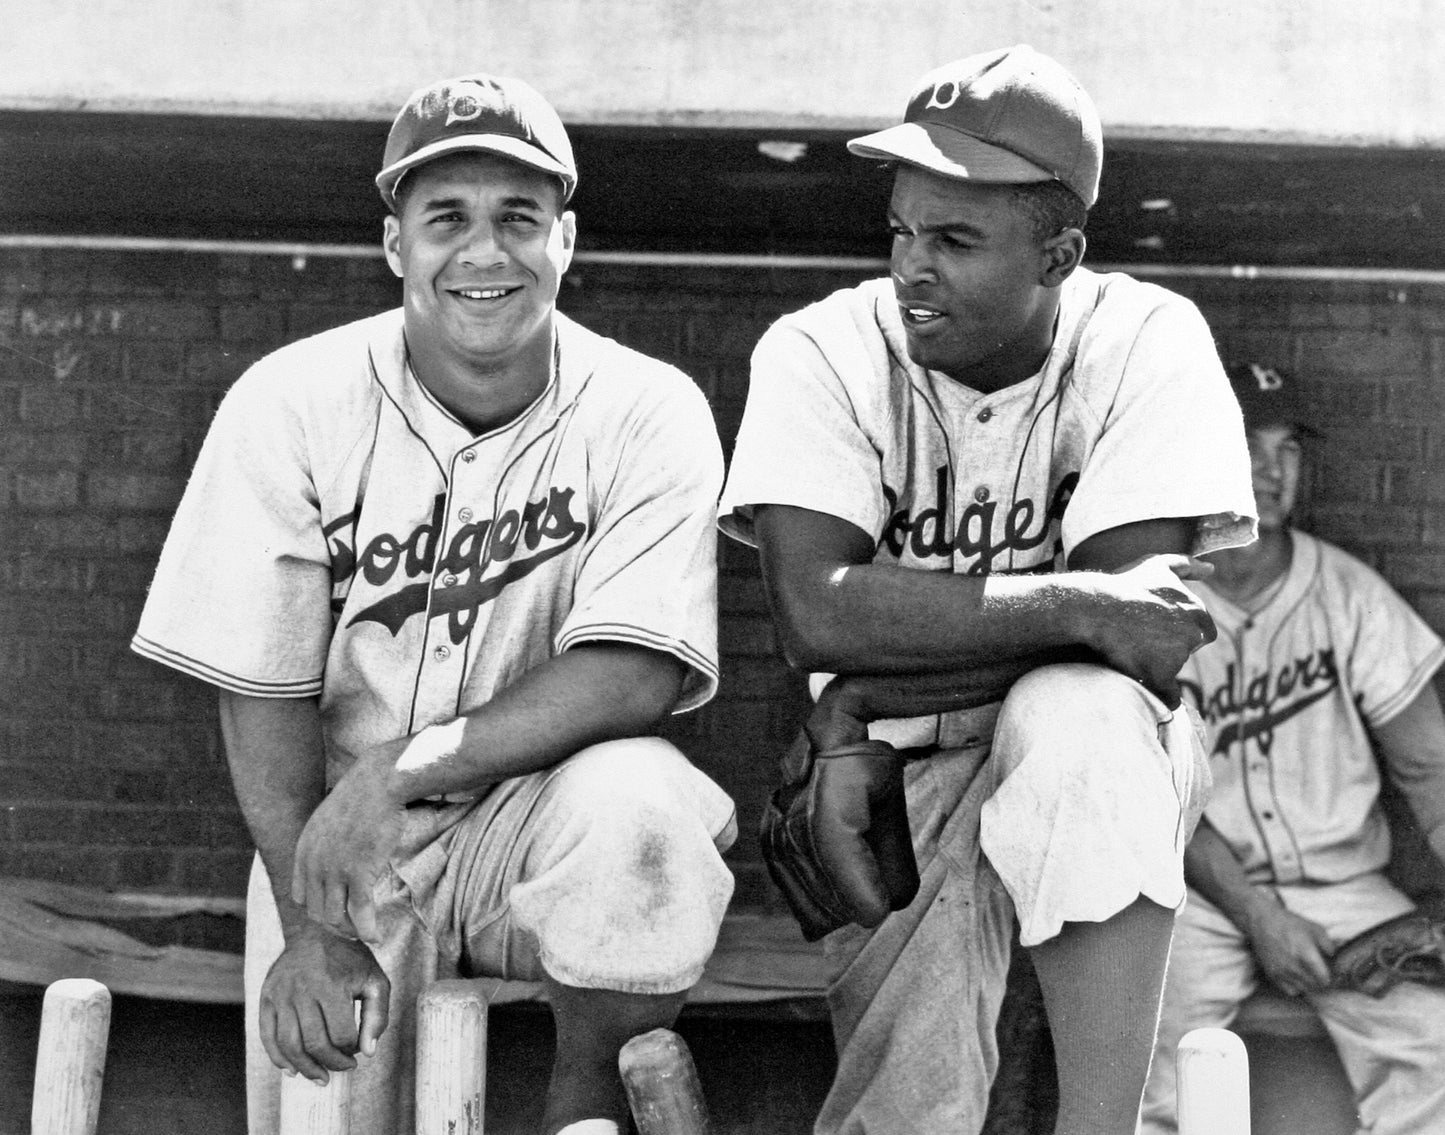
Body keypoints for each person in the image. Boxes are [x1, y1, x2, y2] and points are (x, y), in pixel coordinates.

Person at [131, 73, 736, 1135]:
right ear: (394, 243)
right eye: (445, 217)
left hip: (537, 819)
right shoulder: (290, 400)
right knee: (326, 1093)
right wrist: (308, 923)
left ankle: (582, 1110)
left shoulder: (647, 408)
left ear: (566, 239)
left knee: (648, 810)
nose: (485, 252)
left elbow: (637, 670)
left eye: (519, 218)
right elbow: (257, 683)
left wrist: (410, 764)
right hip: (337, 838)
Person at [718, 45, 1258, 1135]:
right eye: (900, 231)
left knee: (1081, 719)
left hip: (1014, 745)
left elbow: (1131, 648)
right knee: (900, 1112)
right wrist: (1068, 605)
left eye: (955, 239)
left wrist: (859, 696)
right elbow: (815, 612)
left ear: (1057, 254)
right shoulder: (820, 349)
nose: (910, 267)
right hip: (891, 771)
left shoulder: (1145, 340)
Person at [1139, 361, 1445, 1135]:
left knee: (1435, 1046)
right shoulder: (1148, 606)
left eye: (1287, 449)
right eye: (1246, 444)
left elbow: (1430, 767)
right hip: (1203, 892)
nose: (1268, 471)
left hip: (1346, 891)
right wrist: (1256, 913)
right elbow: (1151, 800)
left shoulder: (1347, 594)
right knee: (1156, 1058)